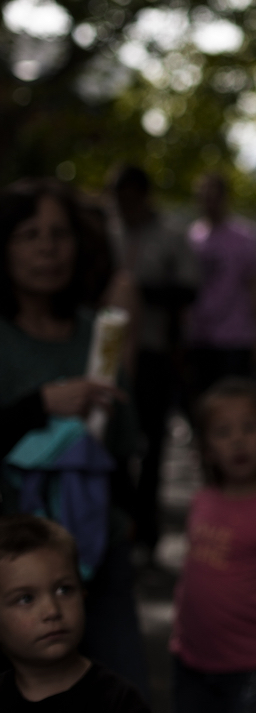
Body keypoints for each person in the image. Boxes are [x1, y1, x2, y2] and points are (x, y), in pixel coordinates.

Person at [0, 179, 150, 699]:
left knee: (117, 687)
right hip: (11, 562)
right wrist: (40, 405)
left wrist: (127, 523)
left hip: (95, 552)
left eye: (59, 234)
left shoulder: (98, 333)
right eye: (29, 234)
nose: (47, 247)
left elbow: (125, 443)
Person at [171, 378, 256, 713]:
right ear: (206, 449)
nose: (237, 440)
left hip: (248, 665)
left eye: (249, 427)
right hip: (190, 656)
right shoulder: (201, 501)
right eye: (223, 431)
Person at [111, 164, 198, 560]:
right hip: (110, 356)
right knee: (114, 442)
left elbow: (188, 290)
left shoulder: (170, 237)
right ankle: (119, 524)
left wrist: (138, 292)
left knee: (151, 444)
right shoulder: (109, 234)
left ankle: (146, 529)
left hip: (153, 351)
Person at [0, 515, 150, 711]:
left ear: (83, 594)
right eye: (26, 599)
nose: (52, 611)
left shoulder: (119, 701)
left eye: (64, 590)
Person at [184, 172, 256, 402]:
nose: (207, 200)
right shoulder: (192, 236)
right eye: (202, 195)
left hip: (235, 337)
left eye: (213, 194)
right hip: (199, 336)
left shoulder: (245, 236)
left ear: (224, 197)